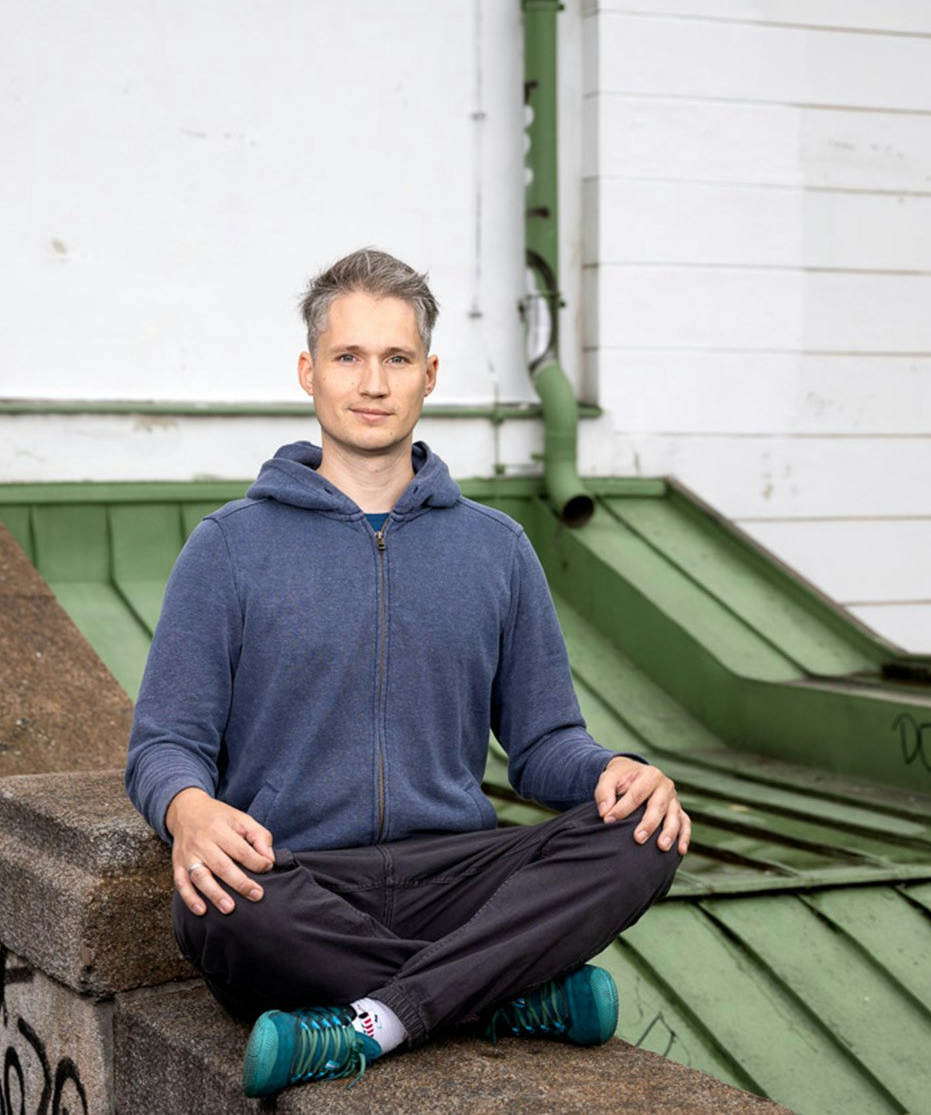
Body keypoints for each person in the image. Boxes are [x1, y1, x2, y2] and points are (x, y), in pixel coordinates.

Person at [124, 248, 688, 1098]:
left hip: (460, 875)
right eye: (349, 357)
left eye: (395, 359)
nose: (373, 382)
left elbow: (543, 744)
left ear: (428, 375)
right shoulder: (230, 548)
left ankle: (375, 1020)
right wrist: (188, 807)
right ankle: (497, 995)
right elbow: (165, 741)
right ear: (309, 372)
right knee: (220, 904)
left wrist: (614, 770)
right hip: (299, 881)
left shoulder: (495, 547)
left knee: (643, 832)